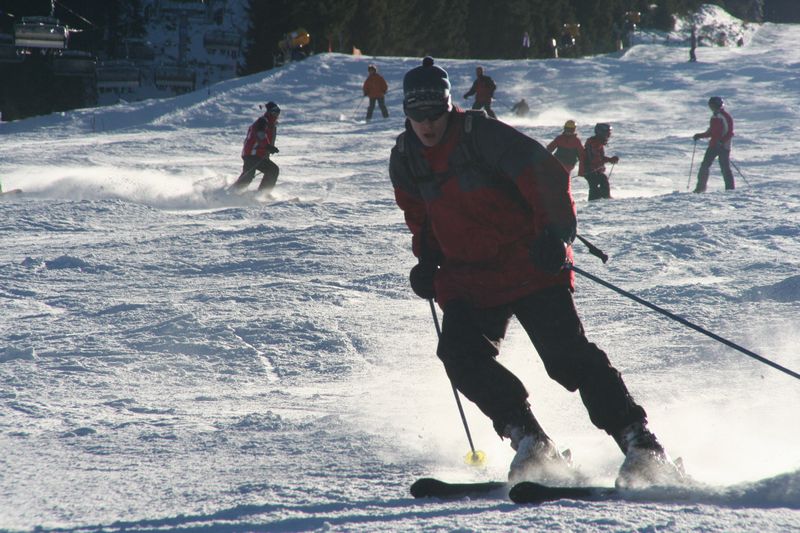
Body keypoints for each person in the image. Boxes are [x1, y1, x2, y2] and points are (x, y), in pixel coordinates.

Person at [389, 59, 684, 488]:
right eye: (418, 115)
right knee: (460, 356)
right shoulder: (406, 158)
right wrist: (427, 259)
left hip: (530, 262)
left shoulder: (482, 135)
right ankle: (531, 442)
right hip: (469, 278)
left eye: (436, 112)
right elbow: (421, 215)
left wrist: (556, 233)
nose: (428, 123)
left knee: (566, 358)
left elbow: (544, 174)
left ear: (449, 106)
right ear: (406, 113)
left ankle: (642, 445)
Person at [230, 101, 280, 192]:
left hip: (260, 155)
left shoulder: (271, 125)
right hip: (252, 153)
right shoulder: (263, 121)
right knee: (249, 175)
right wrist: (268, 146)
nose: (276, 114)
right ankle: (231, 194)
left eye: (278, 111)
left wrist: (269, 150)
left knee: (272, 170)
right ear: (268, 112)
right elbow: (260, 134)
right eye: (274, 111)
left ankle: (262, 193)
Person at [692, 96, 735, 192]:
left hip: (723, 146)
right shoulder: (714, 116)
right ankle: (700, 189)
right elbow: (711, 132)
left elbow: (730, 132)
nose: (712, 107)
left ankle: (730, 189)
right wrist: (700, 135)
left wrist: (722, 141)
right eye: (711, 106)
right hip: (713, 145)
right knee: (705, 166)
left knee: (725, 168)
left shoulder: (725, 116)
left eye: (713, 105)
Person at [583, 123, 619, 201]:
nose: (608, 136)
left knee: (602, 179)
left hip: (594, 169)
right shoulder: (593, 143)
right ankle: (595, 199)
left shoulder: (598, 143)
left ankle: (604, 197)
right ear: (600, 133)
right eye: (607, 134)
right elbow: (595, 158)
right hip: (589, 169)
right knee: (595, 184)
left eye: (609, 134)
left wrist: (609, 160)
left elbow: (599, 158)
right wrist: (609, 160)